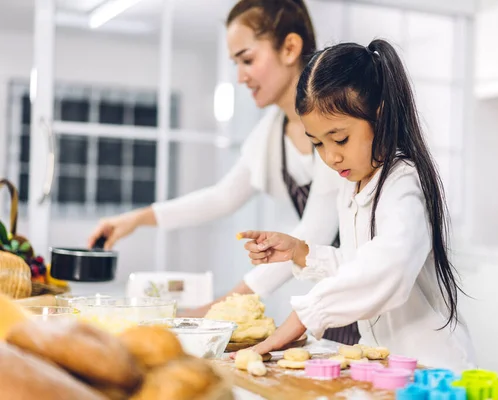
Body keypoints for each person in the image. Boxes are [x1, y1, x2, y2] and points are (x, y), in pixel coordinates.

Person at [87, 0, 360, 345]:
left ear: (290, 47)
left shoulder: (335, 130)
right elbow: (222, 197)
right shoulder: (272, 131)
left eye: (247, 60)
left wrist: (223, 305)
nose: (240, 76)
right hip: (329, 300)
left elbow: (314, 231)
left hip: (370, 300)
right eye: (236, 63)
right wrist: (134, 220)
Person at [238, 39, 477, 371]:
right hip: (386, 365)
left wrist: (307, 314)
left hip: (434, 369)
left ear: (378, 114)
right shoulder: (351, 185)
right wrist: (300, 251)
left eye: (340, 139)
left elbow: (388, 269)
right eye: (318, 143)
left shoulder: (403, 181)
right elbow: (358, 264)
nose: (331, 156)